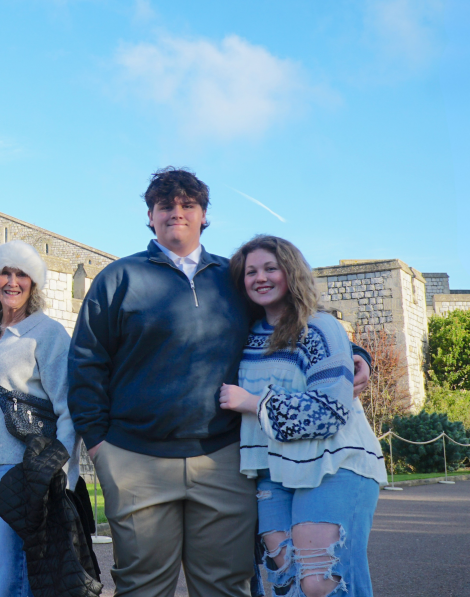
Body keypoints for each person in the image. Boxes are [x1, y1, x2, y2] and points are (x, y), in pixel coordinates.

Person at [67, 167, 372, 597]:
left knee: (225, 586)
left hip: (224, 458)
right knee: (142, 586)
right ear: (150, 217)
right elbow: (85, 364)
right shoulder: (118, 279)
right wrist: (100, 447)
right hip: (137, 459)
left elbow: (292, 319)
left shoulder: (233, 277)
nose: (177, 212)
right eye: (165, 205)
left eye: (187, 204)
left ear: (204, 216)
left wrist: (355, 354)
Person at [219, 236, 386, 597]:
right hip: (271, 471)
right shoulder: (245, 332)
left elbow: (329, 411)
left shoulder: (319, 327)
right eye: (250, 272)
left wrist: (253, 402)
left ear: (290, 272)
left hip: (332, 464)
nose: (260, 277)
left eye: (270, 268)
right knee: (288, 581)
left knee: (321, 581)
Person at [0, 240, 79, 597]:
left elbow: (68, 406)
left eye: (22, 274)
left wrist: (60, 471)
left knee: (15, 578)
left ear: (34, 283)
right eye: (5, 273)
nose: (12, 282)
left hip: (20, 468)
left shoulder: (47, 333)